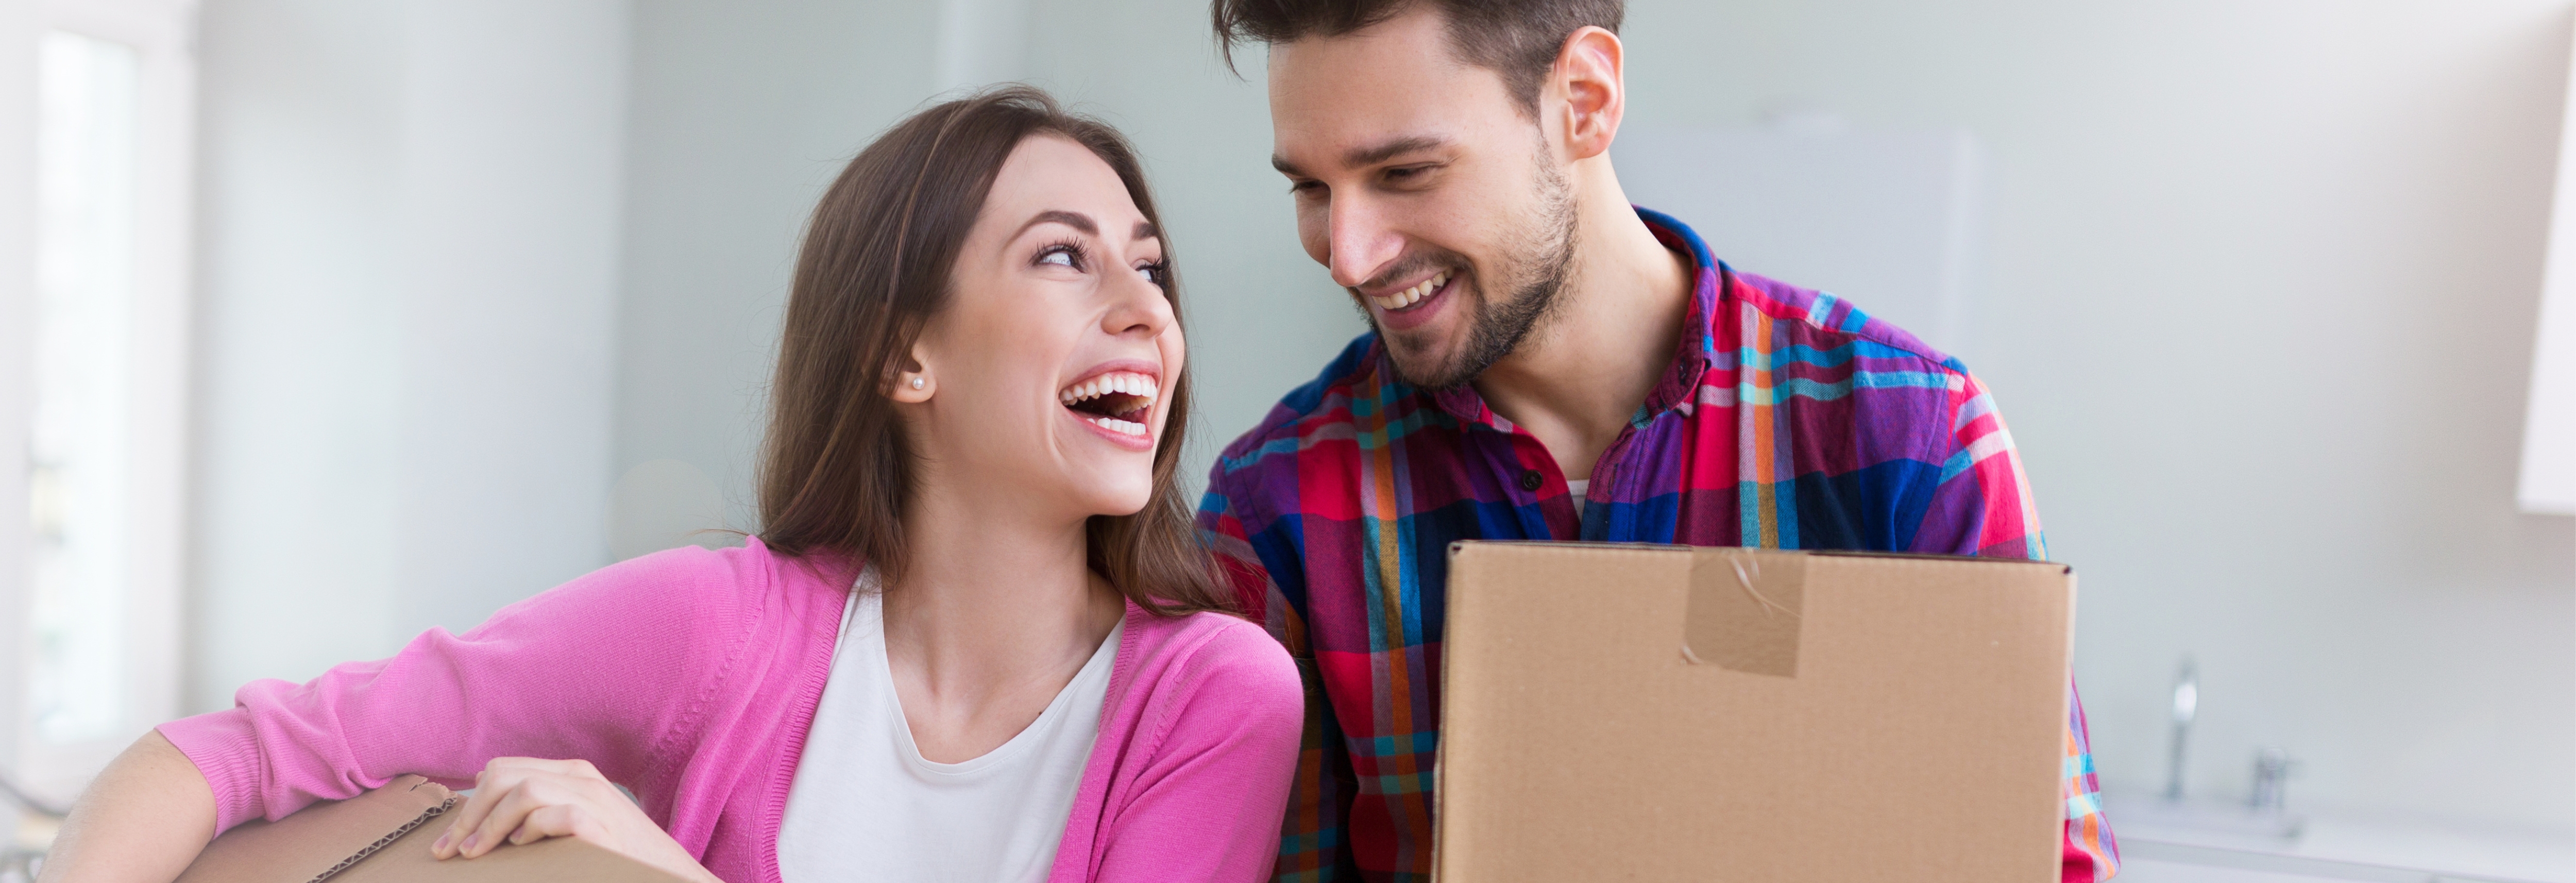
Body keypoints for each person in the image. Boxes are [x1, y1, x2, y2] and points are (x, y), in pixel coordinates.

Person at [40, 87, 1302, 883]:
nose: (1145, 309)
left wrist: (648, 865)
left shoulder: (1212, 695)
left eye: (1150, 268)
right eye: (1063, 259)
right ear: (902, 353)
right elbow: (226, 756)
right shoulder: (721, 627)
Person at [1193, 2, 2120, 880]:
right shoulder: (1277, 506)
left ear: (1584, 102)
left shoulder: (1913, 440)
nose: (1348, 253)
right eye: (1313, 187)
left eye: (1405, 173)